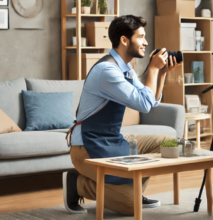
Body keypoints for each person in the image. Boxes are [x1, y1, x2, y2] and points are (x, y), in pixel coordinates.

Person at [63, 15, 181, 215]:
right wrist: (152, 67)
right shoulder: (107, 71)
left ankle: (131, 189)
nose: (146, 43)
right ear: (125, 40)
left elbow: (150, 101)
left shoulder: (126, 69)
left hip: (114, 141)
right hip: (88, 147)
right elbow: (143, 104)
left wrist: (162, 73)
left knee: (167, 142)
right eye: (141, 37)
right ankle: (77, 184)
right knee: (130, 206)